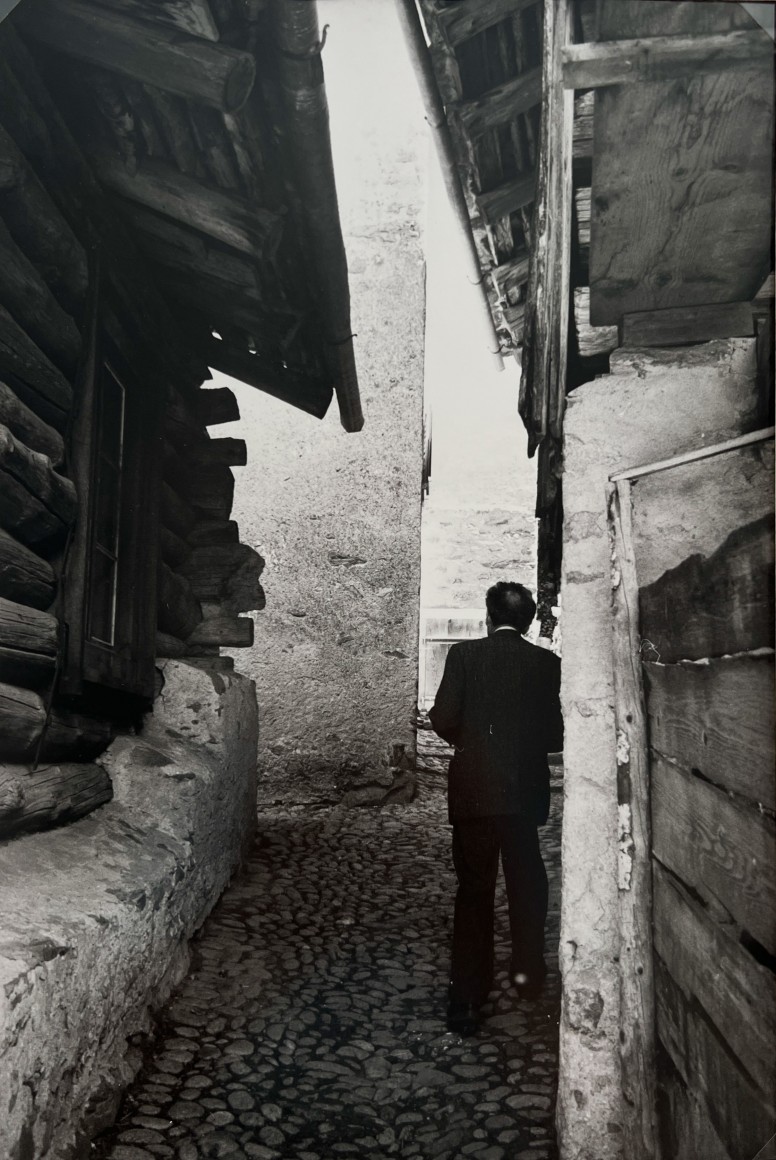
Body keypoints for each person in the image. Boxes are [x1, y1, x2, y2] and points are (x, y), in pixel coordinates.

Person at [429, 581, 563, 1036]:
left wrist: (475, 746)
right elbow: (555, 736)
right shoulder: (546, 663)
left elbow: (443, 718)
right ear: (527, 621)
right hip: (523, 792)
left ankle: (466, 999)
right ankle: (528, 975)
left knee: (474, 890)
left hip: (475, 791)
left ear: (488, 616)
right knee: (527, 881)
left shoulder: (464, 657)